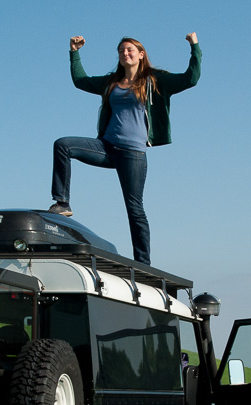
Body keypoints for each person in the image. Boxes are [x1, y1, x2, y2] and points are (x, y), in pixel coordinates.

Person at [48, 32, 202, 266]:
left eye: (130, 50)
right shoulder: (111, 83)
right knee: (63, 145)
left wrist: (195, 47)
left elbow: (190, 79)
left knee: (134, 209)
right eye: (121, 51)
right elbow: (81, 81)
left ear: (141, 54)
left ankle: (143, 262)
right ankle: (62, 203)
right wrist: (74, 52)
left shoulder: (154, 81)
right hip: (107, 147)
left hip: (133, 155)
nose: (125, 53)